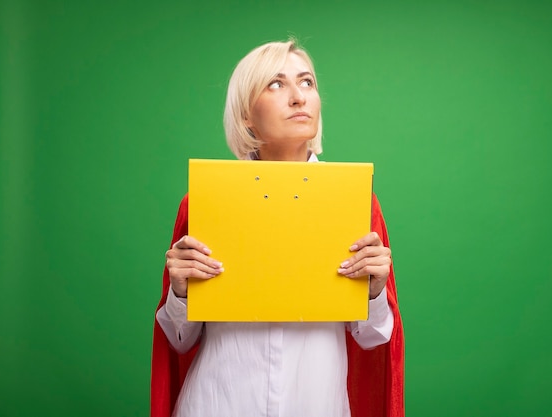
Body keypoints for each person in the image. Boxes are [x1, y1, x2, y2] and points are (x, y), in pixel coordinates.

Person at [150, 39, 404, 417]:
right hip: (219, 403)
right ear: (245, 115)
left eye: (307, 83)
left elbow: (372, 338)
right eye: (276, 84)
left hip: (318, 405)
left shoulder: (354, 201)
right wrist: (181, 293)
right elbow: (179, 340)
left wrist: (374, 292)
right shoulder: (207, 199)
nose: (299, 97)